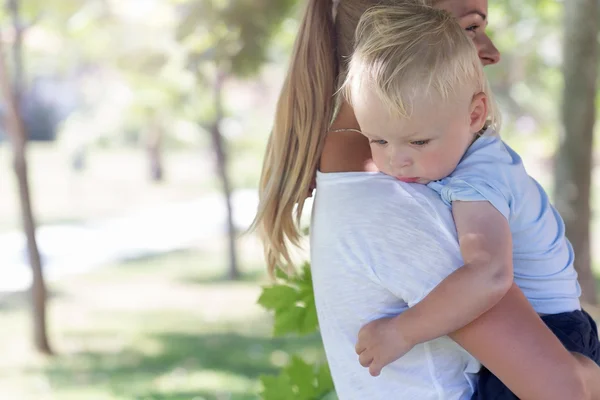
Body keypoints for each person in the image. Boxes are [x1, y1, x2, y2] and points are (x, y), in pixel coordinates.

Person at [252, 0, 600, 398]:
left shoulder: (391, 179)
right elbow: (564, 389)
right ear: (404, 30)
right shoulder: (399, 204)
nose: (492, 52)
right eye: (469, 29)